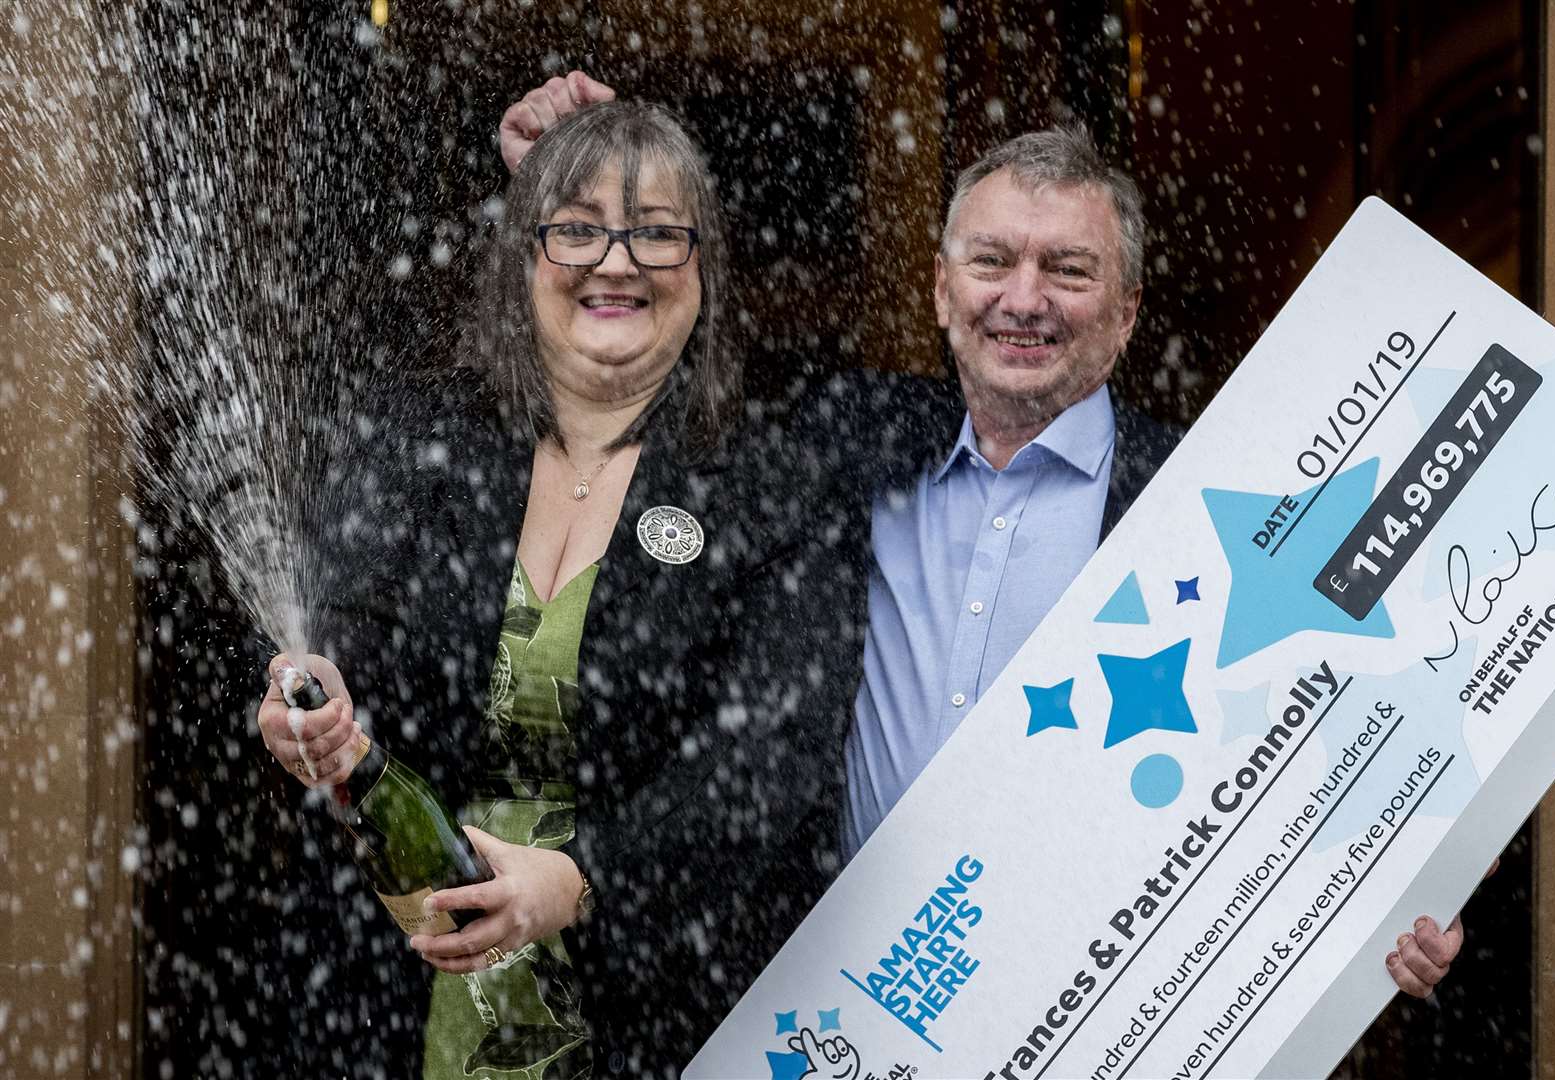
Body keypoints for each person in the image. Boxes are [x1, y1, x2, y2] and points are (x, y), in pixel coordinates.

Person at [499, 78, 1475, 1009]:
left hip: (1090, 1012)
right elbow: (654, 337)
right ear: (938, 291)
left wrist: (1394, 886)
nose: (1023, 298)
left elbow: (1327, 732)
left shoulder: (1206, 508)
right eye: (991, 261)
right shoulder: (840, 442)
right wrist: (566, 185)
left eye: (1067, 269)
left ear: (1127, 310)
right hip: (840, 1007)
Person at [257, 100, 946, 1077]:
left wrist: (582, 879)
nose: (614, 262)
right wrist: (306, 706)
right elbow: (337, 632)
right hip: (389, 998)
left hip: (659, 1011)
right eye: (576, 228)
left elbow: (765, 767)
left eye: (656, 233)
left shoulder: (771, 484)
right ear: (525, 258)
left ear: (702, 268)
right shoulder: (419, 440)